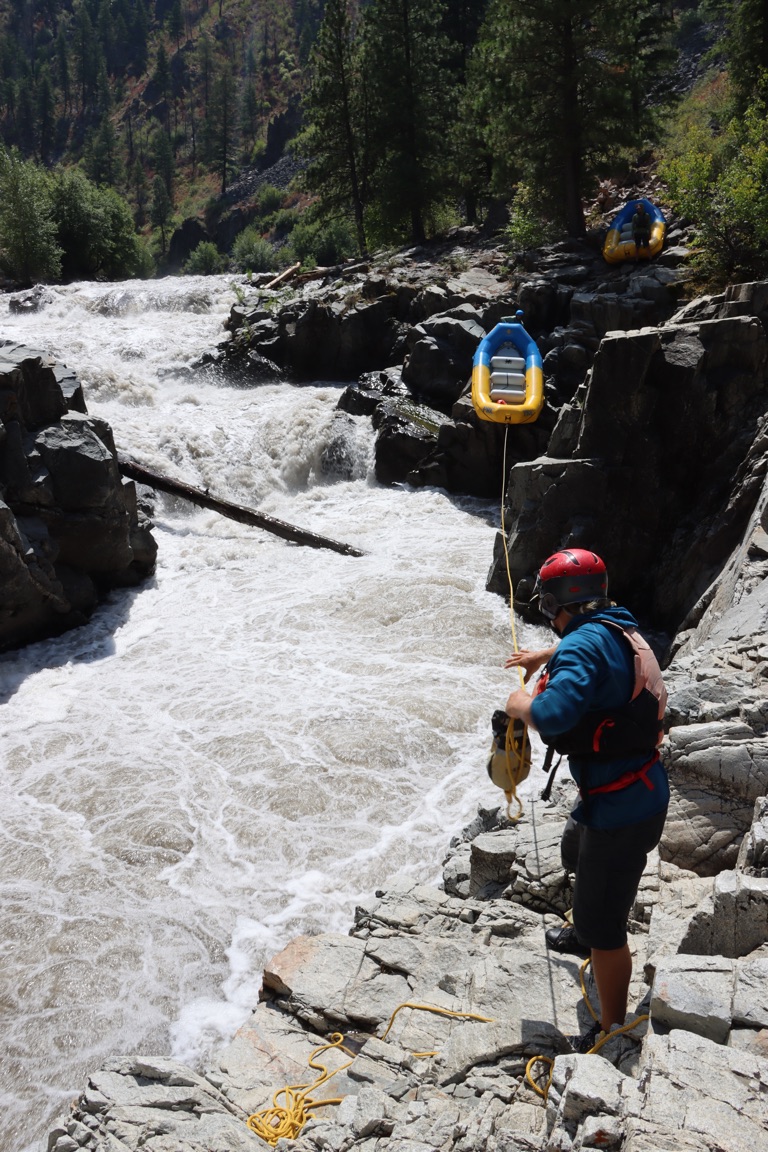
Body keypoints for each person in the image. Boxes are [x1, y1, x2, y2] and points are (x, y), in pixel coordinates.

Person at [504, 548, 668, 1053]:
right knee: (574, 851)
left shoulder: (581, 644)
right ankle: (584, 933)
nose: (546, 616)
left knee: (605, 926)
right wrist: (545, 657)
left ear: (556, 604)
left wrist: (520, 704)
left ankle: (610, 1029)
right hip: (628, 790)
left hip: (622, 810)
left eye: (545, 606)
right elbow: (595, 648)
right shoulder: (616, 625)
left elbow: (553, 715)